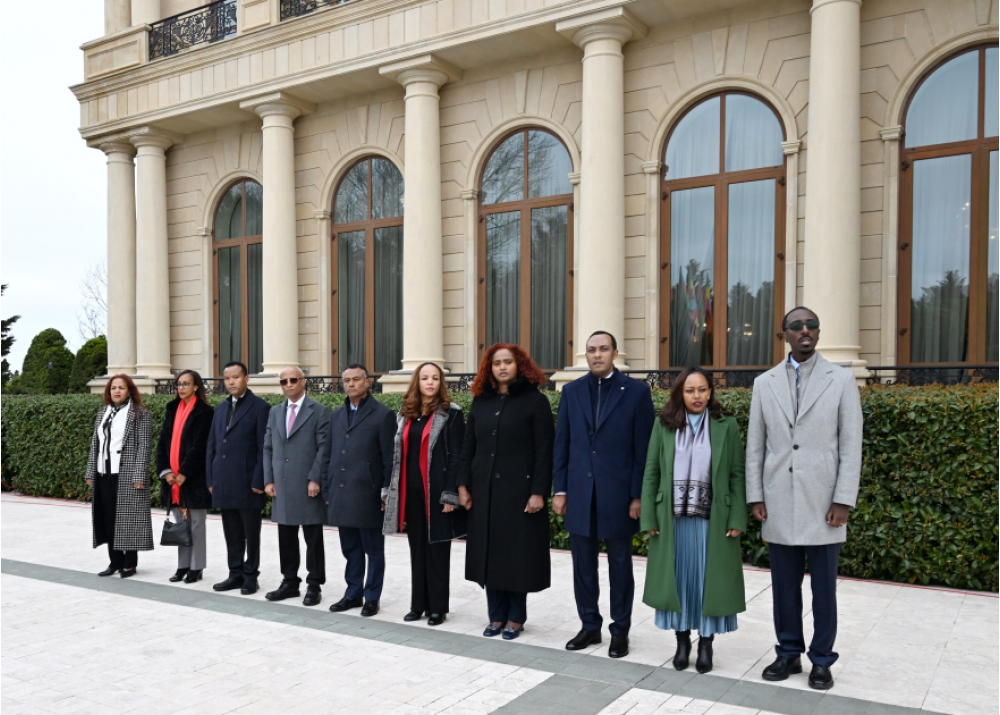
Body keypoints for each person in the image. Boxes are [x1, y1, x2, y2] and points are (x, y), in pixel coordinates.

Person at [746, 306, 863, 691]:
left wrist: (843, 499)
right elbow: (756, 446)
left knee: (823, 590)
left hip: (824, 503)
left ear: (818, 332)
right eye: (797, 326)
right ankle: (788, 652)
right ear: (785, 334)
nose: (805, 330)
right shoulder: (764, 383)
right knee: (784, 587)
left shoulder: (841, 380)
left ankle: (822, 659)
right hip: (778, 499)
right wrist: (755, 495)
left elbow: (851, 445)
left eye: (811, 325)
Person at [553, 331, 655, 658]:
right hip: (580, 493)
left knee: (620, 566)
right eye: (591, 350)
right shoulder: (571, 392)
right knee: (583, 566)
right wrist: (560, 489)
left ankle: (620, 630)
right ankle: (589, 625)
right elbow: (562, 444)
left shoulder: (636, 393)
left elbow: (643, 450)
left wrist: (637, 495)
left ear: (615, 353)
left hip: (619, 496)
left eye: (603, 349)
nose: (597, 355)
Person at [640, 367, 747, 674]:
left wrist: (737, 515)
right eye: (690, 391)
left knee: (706, 583)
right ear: (680, 394)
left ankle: (706, 643)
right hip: (672, 520)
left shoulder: (726, 424)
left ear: (710, 392)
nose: (697, 396)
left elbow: (737, 473)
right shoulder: (664, 424)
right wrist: (649, 515)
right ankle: (682, 641)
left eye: (702, 389)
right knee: (679, 581)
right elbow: (651, 472)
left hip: (713, 520)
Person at [456, 343, 554, 640]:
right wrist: (462, 485)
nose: (502, 367)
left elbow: (544, 450)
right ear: (490, 368)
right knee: (489, 554)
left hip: (519, 494)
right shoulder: (480, 402)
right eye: (497, 362)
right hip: (483, 492)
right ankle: (496, 616)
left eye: (508, 362)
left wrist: (538, 492)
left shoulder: (535, 402)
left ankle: (515, 618)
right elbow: (468, 447)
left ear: (519, 365)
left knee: (516, 556)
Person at [382, 362, 466, 626]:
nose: (430, 382)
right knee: (416, 549)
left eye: (435, 378)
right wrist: (388, 490)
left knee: (437, 551)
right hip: (410, 493)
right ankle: (418, 605)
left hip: (437, 493)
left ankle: (438, 608)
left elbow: (457, 456)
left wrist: (450, 494)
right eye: (425, 378)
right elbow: (395, 456)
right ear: (416, 383)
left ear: (441, 383)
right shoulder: (405, 414)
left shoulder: (451, 413)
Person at [322, 364, 396, 617]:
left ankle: (372, 597)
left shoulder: (383, 415)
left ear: (367, 383)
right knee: (350, 548)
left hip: (368, 495)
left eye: (356, 379)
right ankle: (353, 593)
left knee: (373, 550)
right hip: (341, 493)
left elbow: (389, 459)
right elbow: (328, 454)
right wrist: (327, 489)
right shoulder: (336, 415)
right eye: (347, 380)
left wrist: (386, 492)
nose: (351, 384)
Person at [263, 366, 332, 606]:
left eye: (293, 379)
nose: (289, 384)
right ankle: (290, 582)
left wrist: (316, 478)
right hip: (282, 484)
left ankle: (314, 584)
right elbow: (268, 446)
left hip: (307, 485)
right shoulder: (275, 412)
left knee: (313, 538)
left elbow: (324, 448)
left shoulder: (319, 411)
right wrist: (268, 479)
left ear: (303, 382)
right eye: (284, 381)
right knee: (286, 537)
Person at [206, 361, 271, 595]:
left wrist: (259, 480)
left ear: (246, 378)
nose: (231, 382)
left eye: (235, 377)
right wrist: (211, 479)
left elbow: (264, 447)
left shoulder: (260, 407)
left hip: (248, 483)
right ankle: (235, 573)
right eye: (227, 378)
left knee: (251, 535)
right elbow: (212, 445)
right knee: (231, 532)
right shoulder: (221, 408)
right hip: (224, 481)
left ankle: (251, 576)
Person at [85, 374, 154, 578]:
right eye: (113, 387)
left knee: (129, 519)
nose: (116, 391)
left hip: (127, 473)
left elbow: (144, 447)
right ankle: (114, 561)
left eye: (121, 388)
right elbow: (95, 445)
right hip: (103, 473)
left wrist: (139, 475)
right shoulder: (103, 412)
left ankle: (130, 563)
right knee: (108, 518)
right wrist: (90, 471)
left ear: (129, 391)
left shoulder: (140, 414)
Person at [156, 369, 214, 583]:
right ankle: (183, 565)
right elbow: (163, 442)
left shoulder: (205, 412)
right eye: (179, 384)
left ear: (196, 386)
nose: (181, 388)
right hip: (172, 479)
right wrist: (166, 472)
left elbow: (201, 446)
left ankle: (196, 567)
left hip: (194, 478)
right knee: (181, 523)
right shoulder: (171, 408)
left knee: (196, 524)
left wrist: (184, 473)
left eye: (186, 384)